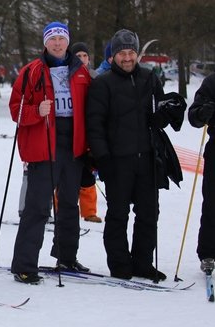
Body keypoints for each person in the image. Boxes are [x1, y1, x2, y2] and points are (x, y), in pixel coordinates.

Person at [86, 29, 184, 281]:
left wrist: (163, 115)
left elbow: (160, 111)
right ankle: (120, 264)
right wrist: (103, 159)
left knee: (149, 213)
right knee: (118, 214)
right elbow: (94, 126)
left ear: (137, 54)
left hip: (148, 157)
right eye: (122, 53)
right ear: (113, 56)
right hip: (118, 160)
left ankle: (142, 262)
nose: (127, 58)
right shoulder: (103, 84)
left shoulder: (149, 77)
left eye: (131, 52)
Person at [9, 21, 91, 284]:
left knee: (69, 203)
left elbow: (92, 108)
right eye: (52, 39)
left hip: (73, 143)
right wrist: (36, 112)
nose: (57, 43)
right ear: (45, 43)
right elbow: (15, 110)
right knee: (38, 206)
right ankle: (24, 264)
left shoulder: (80, 71)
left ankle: (66, 256)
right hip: (44, 143)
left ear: (68, 42)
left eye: (61, 39)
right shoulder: (31, 71)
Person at [70, 42, 102, 224]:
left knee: (88, 175)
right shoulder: (67, 76)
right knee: (67, 177)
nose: (81, 59)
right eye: (78, 56)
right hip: (73, 131)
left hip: (90, 132)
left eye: (84, 56)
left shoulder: (96, 78)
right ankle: (61, 208)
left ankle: (89, 211)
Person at [188, 74, 215, 273]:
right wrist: (202, 113)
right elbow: (194, 116)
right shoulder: (212, 82)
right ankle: (208, 253)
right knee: (212, 203)